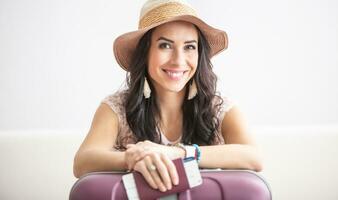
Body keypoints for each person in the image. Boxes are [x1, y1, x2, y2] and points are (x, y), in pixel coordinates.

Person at [73, 0, 263, 193]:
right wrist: (135, 156)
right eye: (165, 45)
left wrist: (179, 153)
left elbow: (254, 158)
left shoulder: (219, 108)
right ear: (145, 52)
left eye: (189, 47)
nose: (178, 60)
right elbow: (82, 162)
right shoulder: (116, 108)